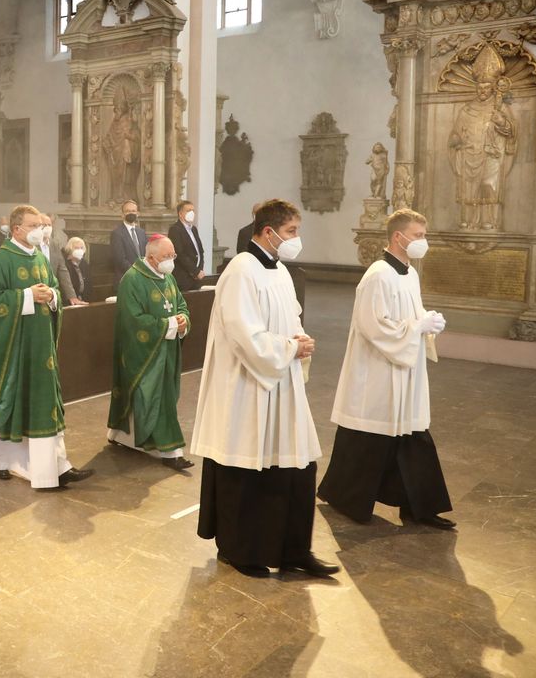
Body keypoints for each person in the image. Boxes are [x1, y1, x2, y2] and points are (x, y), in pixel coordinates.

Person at [191, 199, 337, 578]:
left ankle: (294, 550)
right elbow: (243, 332)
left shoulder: (281, 271)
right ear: (269, 231)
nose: (296, 239)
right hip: (247, 385)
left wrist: (299, 340)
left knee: (295, 465)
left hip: (282, 381)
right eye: (291, 231)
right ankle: (240, 550)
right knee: (247, 468)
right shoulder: (241, 270)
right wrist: (289, 348)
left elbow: (291, 317)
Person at [318, 209, 455, 529]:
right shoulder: (378, 275)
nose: (423, 242)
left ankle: (419, 507)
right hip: (378, 369)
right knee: (368, 437)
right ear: (398, 236)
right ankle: (342, 496)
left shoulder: (409, 274)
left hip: (405, 368)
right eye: (418, 236)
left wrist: (429, 323)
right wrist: (416, 327)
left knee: (413, 434)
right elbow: (373, 325)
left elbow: (411, 315)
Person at [0, 204, 92, 490]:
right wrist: (27, 296)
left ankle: (54, 466)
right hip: (12, 348)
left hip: (40, 346)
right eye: (33, 226)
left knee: (43, 402)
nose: (39, 230)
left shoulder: (39, 257)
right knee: (7, 400)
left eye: (40, 226)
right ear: (16, 229)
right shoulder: (2, 260)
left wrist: (52, 296)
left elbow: (53, 287)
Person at [107, 234, 192, 469]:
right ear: (152, 258)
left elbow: (181, 305)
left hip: (167, 350)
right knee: (152, 397)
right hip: (143, 352)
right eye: (167, 256)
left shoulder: (168, 278)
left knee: (162, 397)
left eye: (173, 255)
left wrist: (183, 320)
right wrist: (169, 324)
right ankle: (171, 452)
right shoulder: (132, 279)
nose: (171, 260)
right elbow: (132, 320)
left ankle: (121, 435)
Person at [38, 212, 77, 306]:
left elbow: (62, 270)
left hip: (51, 294)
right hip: (37, 294)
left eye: (49, 225)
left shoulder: (54, 244)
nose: (47, 228)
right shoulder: (31, 245)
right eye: (44, 225)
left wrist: (72, 296)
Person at [168, 200, 206, 291]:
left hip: (196, 278)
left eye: (193, 210)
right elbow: (180, 254)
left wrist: (200, 270)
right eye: (188, 210)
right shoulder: (175, 229)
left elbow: (200, 252)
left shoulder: (194, 229)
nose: (192, 213)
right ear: (180, 214)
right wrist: (195, 271)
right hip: (183, 278)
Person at [110, 199, 147, 289]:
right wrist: (137, 273)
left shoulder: (142, 232)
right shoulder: (117, 233)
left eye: (133, 211)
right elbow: (120, 259)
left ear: (138, 213)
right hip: (126, 279)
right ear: (122, 215)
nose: (131, 213)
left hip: (143, 279)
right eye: (127, 211)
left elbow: (145, 254)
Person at [62, 237, 92, 303]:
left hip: (84, 299)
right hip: (69, 301)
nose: (80, 250)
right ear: (70, 249)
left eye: (81, 248)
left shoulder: (84, 263)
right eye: (76, 248)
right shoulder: (64, 264)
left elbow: (89, 284)